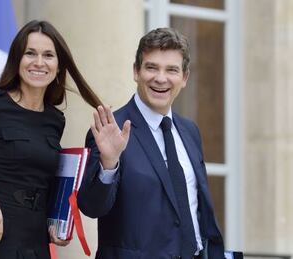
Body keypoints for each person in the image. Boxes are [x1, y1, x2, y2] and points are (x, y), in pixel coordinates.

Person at [0, 20, 102, 259]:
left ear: (58, 67)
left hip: (36, 245)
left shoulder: (55, 120)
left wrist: (54, 222)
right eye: (30, 53)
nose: (39, 62)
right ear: (17, 60)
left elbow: (39, 182)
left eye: (48, 55)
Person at [78, 28, 225, 259]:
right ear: (136, 71)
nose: (161, 78)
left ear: (185, 78)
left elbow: (198, 211)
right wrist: (108, 164)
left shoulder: (190, 131)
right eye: (151, 67)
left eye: (172, 70)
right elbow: (91, 207)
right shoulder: (111, 129)